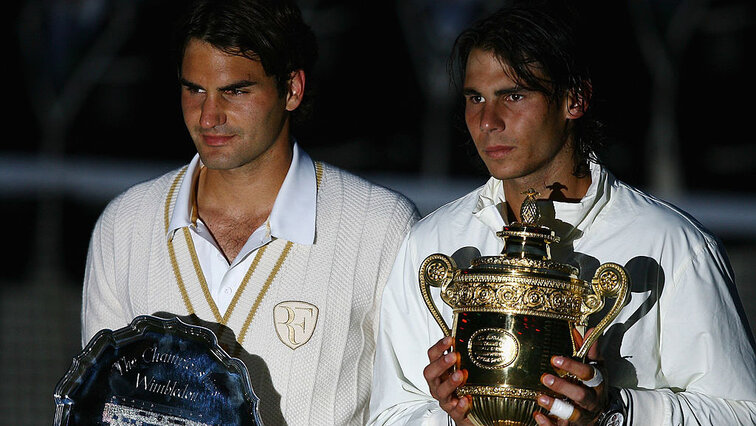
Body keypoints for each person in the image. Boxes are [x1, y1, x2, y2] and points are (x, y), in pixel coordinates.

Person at [368, 3, 756, 425]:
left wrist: (613, 413)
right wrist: (456, 418)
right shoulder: (430, 243)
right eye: (475, 97)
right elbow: (390, 414)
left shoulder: (672, 245)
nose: (487, 121)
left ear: (575, 99)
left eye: (513, 95)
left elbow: (742, 414)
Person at [80, 0, 419, 424]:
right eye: (194, 89)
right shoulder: (125, 224)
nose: (209, 115)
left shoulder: (381, 226)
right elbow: (101, 405)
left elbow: (413, 406)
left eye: (235, 90)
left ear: (292, 89)